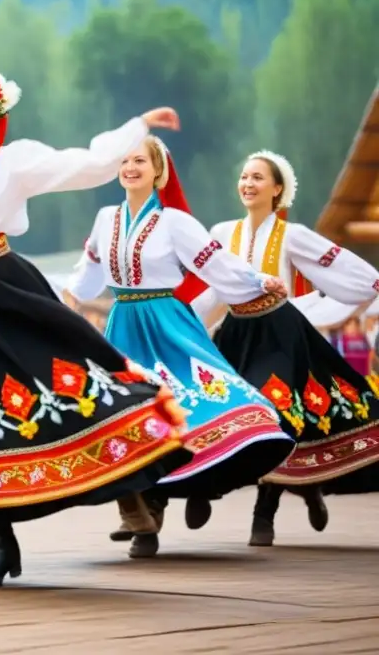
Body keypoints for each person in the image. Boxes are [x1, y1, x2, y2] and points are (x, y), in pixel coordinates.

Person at [0, 63, 191, 588]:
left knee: (65, 380)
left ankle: (133, 481)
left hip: (5, 290)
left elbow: (89, 165)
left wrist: (136, 127)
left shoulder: (15, 160)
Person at [68, 136, 293, 558]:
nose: (131, 167)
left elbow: (216, 264)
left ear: (159, 172)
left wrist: (260, 281)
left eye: (141, 160)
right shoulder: (104, 218)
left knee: (189, 406)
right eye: (125, 161)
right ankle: (137, 513)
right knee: (117, 412)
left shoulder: (175, 222)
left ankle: (181, 492)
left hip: (167, 324)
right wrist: (61, 300)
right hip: (123, 324)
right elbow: (89, 270)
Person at [191, 150, 379, 545]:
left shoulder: (292, 235)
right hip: (235, 332)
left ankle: (265, 510)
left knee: (272, 412)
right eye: (244, 176)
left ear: (277, 189)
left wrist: (374, 284)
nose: (248, 184)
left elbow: (336, 264)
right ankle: (203, 488)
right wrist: (186, 320)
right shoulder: (222, 233)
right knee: (216, 406)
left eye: (258, 178)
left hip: (280, 332)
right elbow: (214, 287)